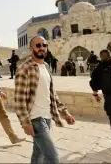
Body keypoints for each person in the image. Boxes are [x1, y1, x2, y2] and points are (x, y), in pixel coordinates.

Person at [14, 36, 75, 164]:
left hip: (47, 117)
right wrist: (25, 122)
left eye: (44, 45)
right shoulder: (24, 68)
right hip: (35, 119)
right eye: (38, 45)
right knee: (53, 158)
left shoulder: (46, 66)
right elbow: (19, 99)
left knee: (39, 153)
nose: (42, 48)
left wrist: (65, 113)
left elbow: (51, 93)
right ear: (31, 49)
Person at [90, 49, 111, 148]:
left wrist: (96, 95)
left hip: (109, 98)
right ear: (110, 55)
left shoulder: (98, 69)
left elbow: (93, 83)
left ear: (101, 57)